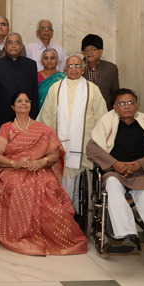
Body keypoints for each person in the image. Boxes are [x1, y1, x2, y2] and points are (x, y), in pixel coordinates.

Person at [0, 92, 87, 256]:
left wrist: (42, 162)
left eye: (26, 101)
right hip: (12, 170)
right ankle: (22, 235)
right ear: (12, 107)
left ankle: (52, 237)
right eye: (19, 101)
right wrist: (16, 163)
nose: (23, 103)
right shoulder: (6, 128)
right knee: (19, 186)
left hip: (40, 169)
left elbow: (55, 155)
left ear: (31, 105)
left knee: (46, 187)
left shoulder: (43, 129)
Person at [87, 89, 144, 259]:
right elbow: (92, 149)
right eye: (122, 104)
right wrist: (116, 164)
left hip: (141, 173)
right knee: (113, 185)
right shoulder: (107, 122)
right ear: (115, 107)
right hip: (114, 172)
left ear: (137, 105)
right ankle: (128, 235)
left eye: (130, 103)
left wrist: (138, 164)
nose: (127, 107)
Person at [37, 55, 107, 202]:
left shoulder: (93, 89)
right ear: (64, 69)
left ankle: (80, 214)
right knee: (63, 184)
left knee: (83, 187)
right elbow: (46, 117)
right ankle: (66, 213)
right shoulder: (55, 88)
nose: (73, 69)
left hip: (85, 148)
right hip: (60, 147)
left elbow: (102, 119)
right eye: (70, 66)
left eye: (77, 66)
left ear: (83, 69)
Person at [0, 33, 38, 135]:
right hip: (2, 115)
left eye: (17, 43)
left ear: (22, 47)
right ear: (5, 47)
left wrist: (34, 116)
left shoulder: (31, 64)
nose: (13, 46)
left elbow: (34, 92)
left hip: (27, 115)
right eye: (10, 43)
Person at [81, 34, 120, 108]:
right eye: (86, 50)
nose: (89, 52)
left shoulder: (111, 68)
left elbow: (115, 93)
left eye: (93, 49)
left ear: (101, 51)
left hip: (105, 111)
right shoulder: (77, 68)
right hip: (83, 111)